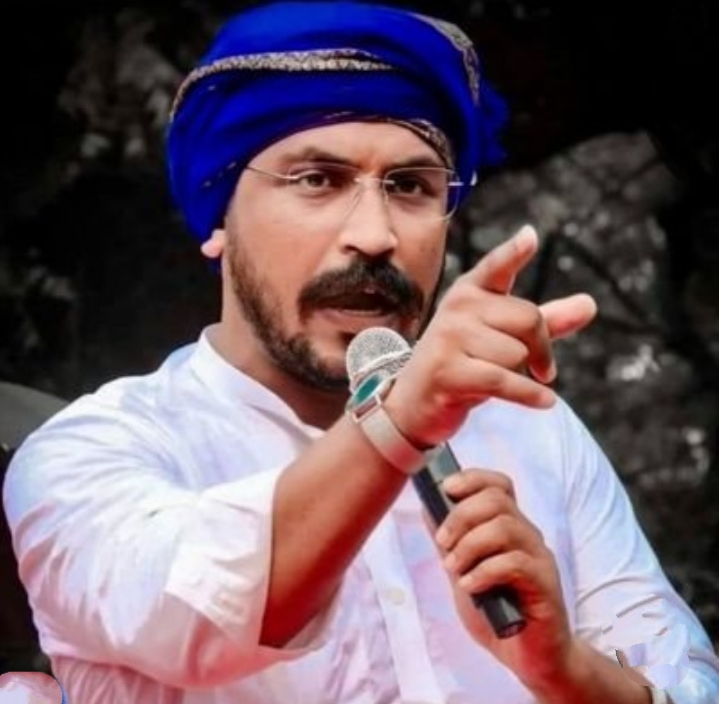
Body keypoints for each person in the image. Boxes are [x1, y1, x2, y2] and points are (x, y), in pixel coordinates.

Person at [2, 1, 718, 703]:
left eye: (410, 186)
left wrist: (564, 670)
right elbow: (197, 615)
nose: (375, 235)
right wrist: (398, 424)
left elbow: (687, 681)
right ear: (219, 218)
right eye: (317, 180)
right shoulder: (90, 451)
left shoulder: (533, 432)